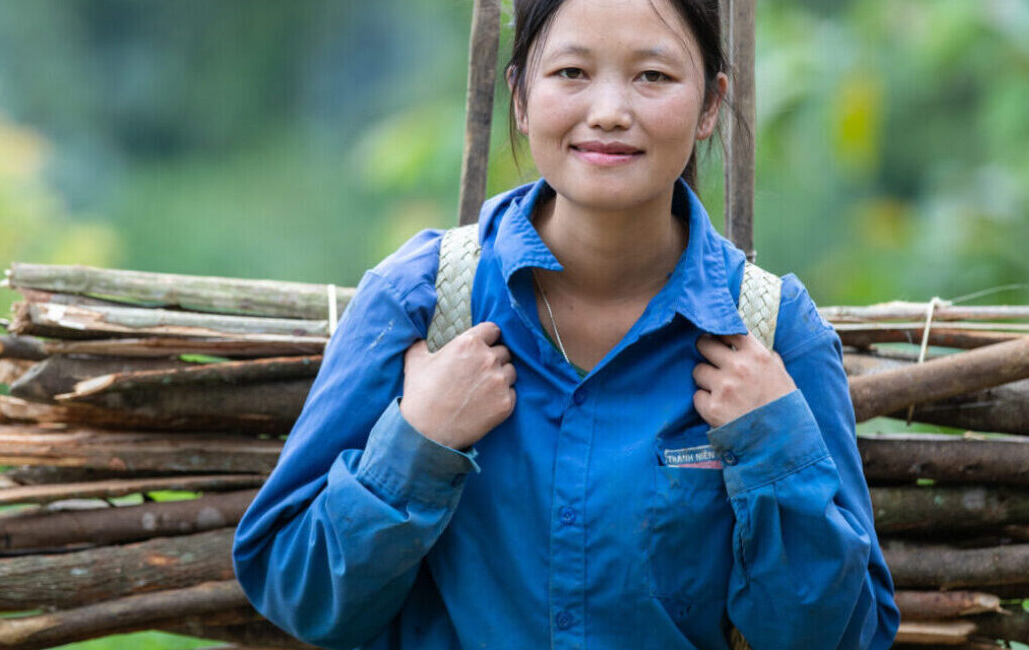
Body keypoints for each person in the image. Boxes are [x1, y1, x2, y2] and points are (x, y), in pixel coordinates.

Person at [232, 0, 900, 647]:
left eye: (654, 76)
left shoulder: (773, 332)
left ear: (710, 105)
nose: (609, 113)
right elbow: (298, 590)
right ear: (520, 99)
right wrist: (416, 444)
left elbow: (850, 637)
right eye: (572, 73)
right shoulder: (419, 303)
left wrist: (775, 447)